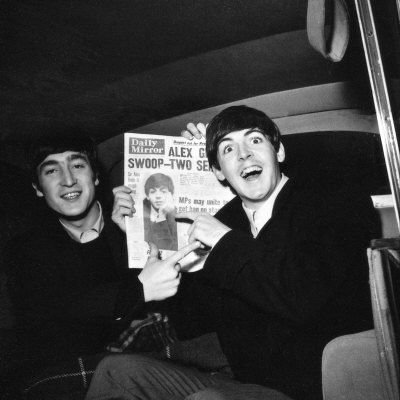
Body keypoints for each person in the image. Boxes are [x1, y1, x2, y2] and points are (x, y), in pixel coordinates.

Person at [86, 106, 378, 400]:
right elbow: (193, 325)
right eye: (228, 149)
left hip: (315, 386)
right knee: (115, 373)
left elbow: (303, 294)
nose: (243, 155)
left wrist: (223, 240)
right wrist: (143, 237)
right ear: (218, 171)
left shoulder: (334, 199)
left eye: (254, 140)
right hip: (243, 382)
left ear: (279, 152)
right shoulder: (227, 221)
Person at [1, 128, 197, 392]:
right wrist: (137, 291)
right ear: (37, 188)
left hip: (159, 358)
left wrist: (198, 158)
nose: (68, 180)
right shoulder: (24, 248)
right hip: (79, 369)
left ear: (95, 177)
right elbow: (49, 312)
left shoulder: (134, 221)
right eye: (51, 171)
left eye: (78, 165)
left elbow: (191, 290)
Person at [143, 173, 178, 251]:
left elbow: (169, 248)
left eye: (163, 191)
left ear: (171, 194)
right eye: (153, 192)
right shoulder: (139, 212)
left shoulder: (178, 216)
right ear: (147, 195)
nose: (158, 196)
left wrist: (161, 216)